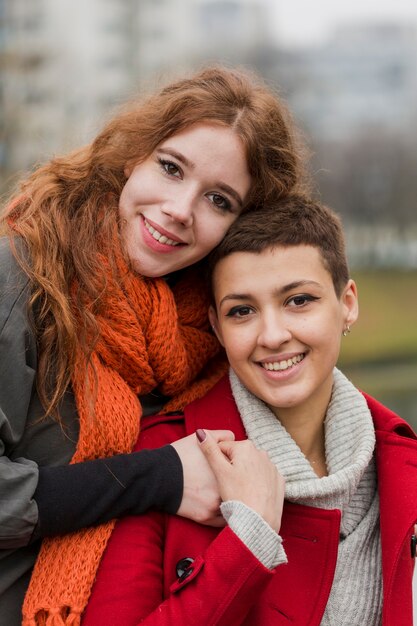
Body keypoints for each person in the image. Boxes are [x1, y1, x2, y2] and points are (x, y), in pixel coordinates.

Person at [0, 66, 306, 626]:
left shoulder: (209, 333)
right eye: (170, 168)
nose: (179, 209)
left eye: (219, 199)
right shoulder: (21, 278)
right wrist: (158, 478)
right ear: (131, 157)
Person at [83, 195, 417, 626]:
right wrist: (246, 543)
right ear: (218, 328)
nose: (273, 335)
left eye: (298, 300)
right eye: (242, 311)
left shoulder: (402, 464)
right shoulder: (163, 456)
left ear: (347, 303)